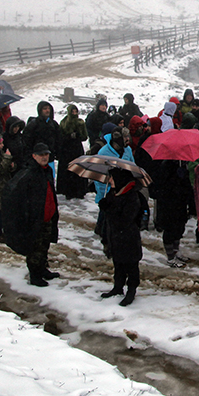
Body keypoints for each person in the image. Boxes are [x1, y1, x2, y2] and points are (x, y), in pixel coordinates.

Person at [2, 142, 61, 287]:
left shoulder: (46, 171)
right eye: (41, 155)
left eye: (46, 154)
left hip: (48, 216)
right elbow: (11, 192)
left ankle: (42, 269)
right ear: (34, 156)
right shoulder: (28, 173)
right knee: (35, 248)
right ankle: (34, 275)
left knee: (44, 245)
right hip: (35, 218)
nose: (44, 157)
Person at [96, 168, 147, 306]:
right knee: (118, 263)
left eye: (112, 177)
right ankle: (118, 287)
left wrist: (108, 209)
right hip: (115, 237)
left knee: (131, 265)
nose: (110, 180)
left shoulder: (132, 197)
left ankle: (131, 290)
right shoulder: (114, 193)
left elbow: (124, 220)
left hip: (128, 238)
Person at [57, 105, 88, 199]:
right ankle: (68, 191)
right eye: (72, 111)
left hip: (77, 148)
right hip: (67, 149)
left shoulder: (80, 122)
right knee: (68, 170)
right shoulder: (64, 122)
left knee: (78, 169)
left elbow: (84, 136)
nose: (74, 113)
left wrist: (78, 135)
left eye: (75, 111)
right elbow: (60, 135)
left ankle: (79, 191)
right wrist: (68, 137)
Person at [23, 101, 61, 178]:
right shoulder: (33, 125)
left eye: (48, 109)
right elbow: (27, 142)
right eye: (45, 109)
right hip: (37, 159)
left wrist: (57, 152)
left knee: (50, 179)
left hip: (49, 158)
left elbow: (58, 140)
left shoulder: (53, 124)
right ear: (40, 110)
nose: (47, 110)